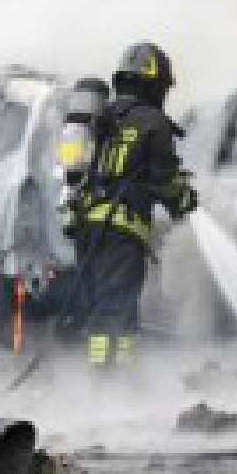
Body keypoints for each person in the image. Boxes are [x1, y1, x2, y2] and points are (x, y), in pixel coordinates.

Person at [70, 41, 194, 371]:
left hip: (87, 226)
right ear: (152, 82)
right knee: (119, 310)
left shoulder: (103, 116)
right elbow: (164, 178)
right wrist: (184, 200)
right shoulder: (154, 123)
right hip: (121, 230)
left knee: (101, 306)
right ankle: (116, 380)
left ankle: (103, 376)